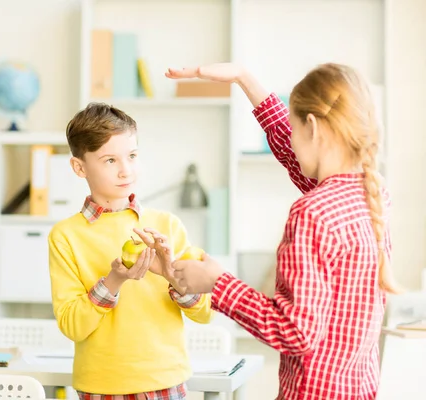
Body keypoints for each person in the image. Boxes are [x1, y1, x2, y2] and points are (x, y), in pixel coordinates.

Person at [166, 62, 400, 400]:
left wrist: (217, 283)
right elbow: (297, 159)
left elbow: (294, 331)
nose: (289, 137)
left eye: (292, 127)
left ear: (313, 127)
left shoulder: (312, 213)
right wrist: (245, 79)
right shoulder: (370, 195)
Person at [47, 102, 213, 399]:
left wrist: (173, 274)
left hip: (166, 381)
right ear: (79, 167)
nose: (126, 170)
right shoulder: (66, 236)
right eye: (110, 160)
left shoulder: (167, 225)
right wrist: (113, 282)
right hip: (101, 387)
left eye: (132, 156)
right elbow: (72, 326)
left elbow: (205, 312)